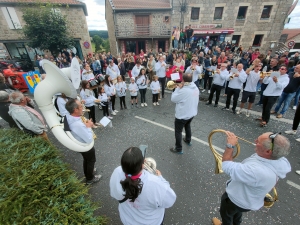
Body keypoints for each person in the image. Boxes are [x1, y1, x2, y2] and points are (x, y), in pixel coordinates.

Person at [212, 131, 291, 225]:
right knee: (237, 214)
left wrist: (230, 145)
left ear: (268, 151)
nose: (255, 141)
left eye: (258, 142)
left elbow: (226, 165)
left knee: (226, 215)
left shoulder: (256, 171)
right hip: (249, 200)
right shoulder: (280, 160)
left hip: (236, 199)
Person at [110, 147, 176, 225]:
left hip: (127, 220)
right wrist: (160, 178)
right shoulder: (156, 183)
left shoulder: (117, 172)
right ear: (142, 164)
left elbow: (114, 194)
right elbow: (170, 201)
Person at [65, 99, 102, 185]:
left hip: (80, 144)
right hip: (85, 146)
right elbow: (89, 139)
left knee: (87, 160)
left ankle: (89, 172)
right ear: (75, 110)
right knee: (91, 160)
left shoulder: (69, 116)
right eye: (81, 107)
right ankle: (90, 178)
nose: (83, 108)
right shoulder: (78, 125)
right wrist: (89, 126)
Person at [170, 73, 199, 154]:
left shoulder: (183, 90)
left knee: (178, 131)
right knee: (187, 126)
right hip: (192, 113)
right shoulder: (195, 87)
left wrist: (178, 88)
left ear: (183, 80)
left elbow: (173, 99)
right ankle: (188, 140)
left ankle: (178, 148)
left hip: (182, 115)